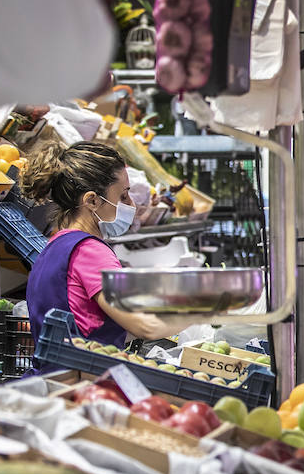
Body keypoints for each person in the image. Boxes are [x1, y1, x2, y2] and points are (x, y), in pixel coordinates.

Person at [23, 141, 203, 368]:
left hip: (55, 379)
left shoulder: (55, 245)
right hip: (85, 383)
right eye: (124, 195)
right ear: (92, 200)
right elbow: (144, 326)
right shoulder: (92, 252)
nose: (132, 205)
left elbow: (89, 324)